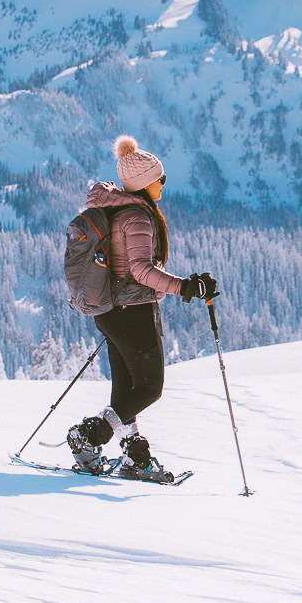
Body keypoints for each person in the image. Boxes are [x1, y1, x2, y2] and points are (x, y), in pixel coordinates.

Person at [67, 135, 216, 479]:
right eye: (159, 178)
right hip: (131, 312)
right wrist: (185, 287)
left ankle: (135, 457)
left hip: (111, 312)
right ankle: (88, 436)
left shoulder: (117, 210)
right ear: (145, 182)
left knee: (127, 391)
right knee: (150, 388)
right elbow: (140, 270)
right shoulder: (136, 217)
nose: (163, 184)